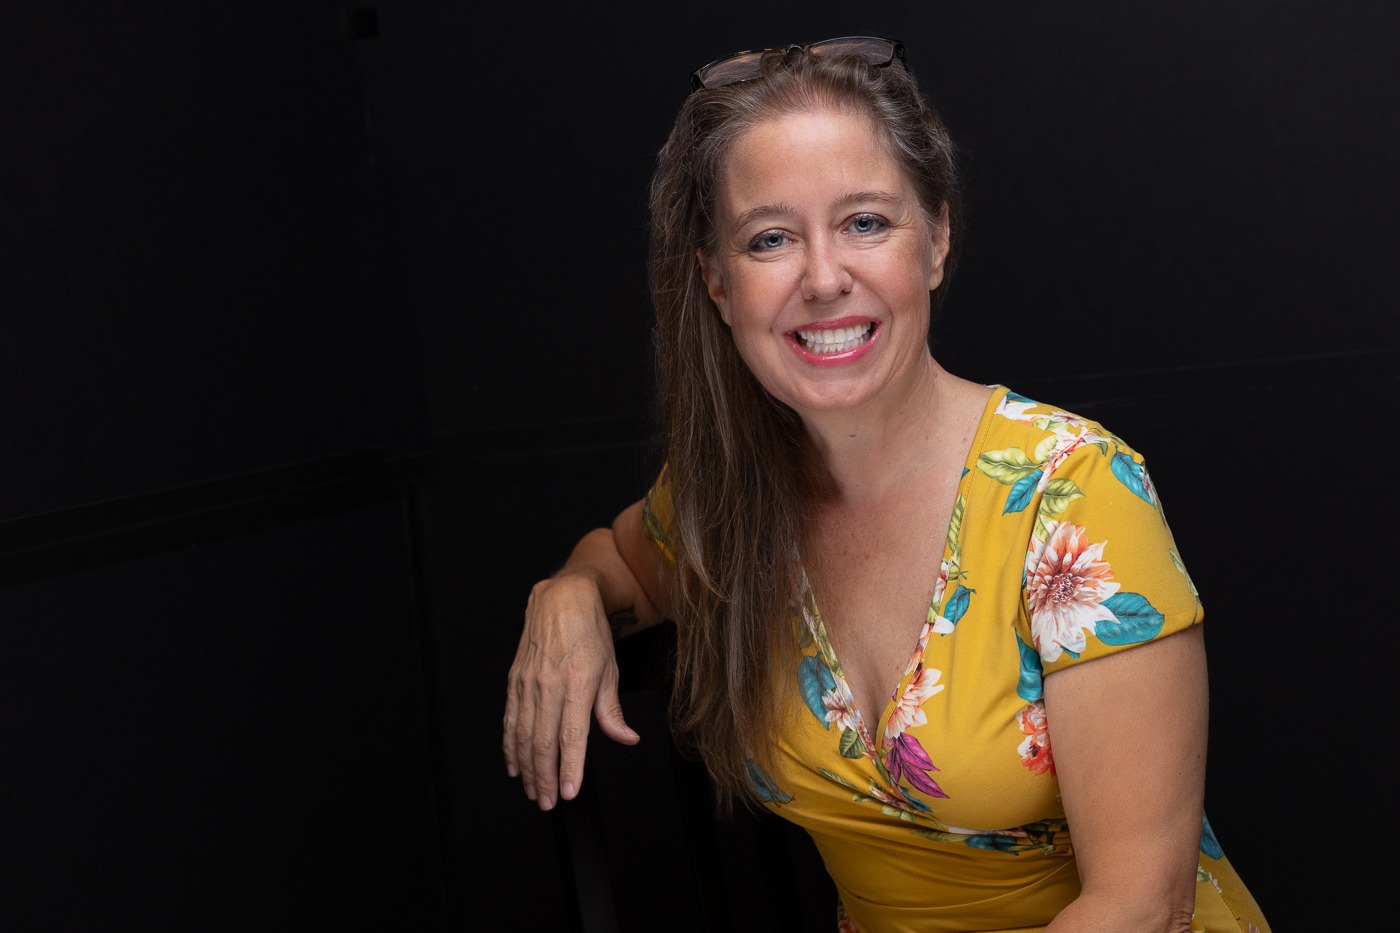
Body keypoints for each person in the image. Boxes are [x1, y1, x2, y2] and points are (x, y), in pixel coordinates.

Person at [503, 35, 1270, 933]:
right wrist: (566, 596)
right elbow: (623, 565)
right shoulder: (731, 501)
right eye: (771, 239)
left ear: (936, 240)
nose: (824, 278)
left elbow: (1142, 906)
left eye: (866, 222)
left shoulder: (1073, 496)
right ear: (715, 279)